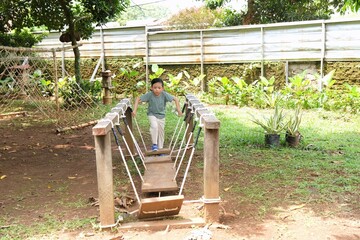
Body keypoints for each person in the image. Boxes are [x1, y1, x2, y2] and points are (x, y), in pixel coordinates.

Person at [132, 78, 182, 151]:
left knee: (161, 132)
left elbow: (176, 99)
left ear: (162, 89)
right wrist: (134, 111)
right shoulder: (149, 95)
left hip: (161, 116)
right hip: (152, 114)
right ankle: (154, 144)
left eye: (159, 88)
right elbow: (137, 99)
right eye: (155, 88)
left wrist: (179, 111)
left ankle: (160, 149)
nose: (157, 90)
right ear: (151, 88)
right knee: (154, 126)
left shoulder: (164, 94)